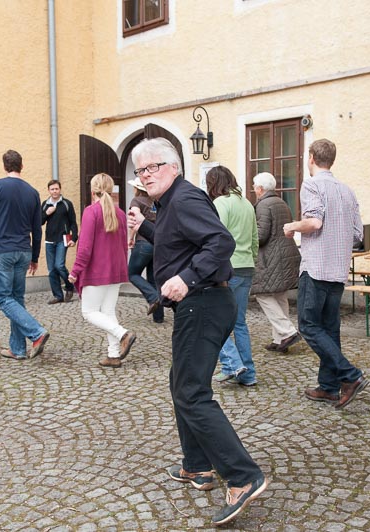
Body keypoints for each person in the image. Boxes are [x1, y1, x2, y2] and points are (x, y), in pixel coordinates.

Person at [127, 138, 268, 527]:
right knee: (181, 383)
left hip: (204, 302)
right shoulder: (170, 203)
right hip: (201, 304)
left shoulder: (185, 198)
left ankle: (243, 476)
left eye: (153, 167)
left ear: (173, 166)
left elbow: (220, 242)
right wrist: (146, 228)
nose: (146, 175)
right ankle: (197, 465)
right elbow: (178, 243)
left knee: (191, 392)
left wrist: (186, 278)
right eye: (140, 170)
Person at [284, 138, 368, 409]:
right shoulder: (347, 191)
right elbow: (357, 234)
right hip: (338, 269)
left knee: (309, 326)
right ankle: (329, 387)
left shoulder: (312, 185)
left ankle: (350, 375)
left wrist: (292, 226)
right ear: (332, 160)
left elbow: (314, 222)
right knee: (330, 329)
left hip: (317, 267)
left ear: (311, 158)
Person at [0, 149, 49, 361]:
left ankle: (36, 333)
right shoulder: (32, 192)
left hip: (2, 251)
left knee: (4, 298)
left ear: (4, 166)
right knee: (16, 299)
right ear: (21, 166)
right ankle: (18, 349)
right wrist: (35, 256)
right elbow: (37, 229)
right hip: (23, 251)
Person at [67, 173, 136, 368]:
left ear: (92, 190)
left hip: (97, 271)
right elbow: (123, 245)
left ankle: (123, 334)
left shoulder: (91, 212)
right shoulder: (119, 213)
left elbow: (85, 247)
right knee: (107, 311)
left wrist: (75, 271)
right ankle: (113, 355)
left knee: (89, 312)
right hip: (116, 270)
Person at [205, 166, 259, 387]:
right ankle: (248, 374)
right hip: (246, 266)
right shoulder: (246, 203)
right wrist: (250, 258)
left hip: (227, 269)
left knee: (213, 320)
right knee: (239, 323)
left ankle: (232, 364)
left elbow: (217, 238)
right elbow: (254, 238)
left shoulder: (220, 203)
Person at [251, 172, 302, 353]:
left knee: (261, 293)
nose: (254, 189)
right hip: (285, 254)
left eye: (255, 186)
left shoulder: (263, 205)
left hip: (271, 256)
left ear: (260, 188)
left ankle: (287, 332)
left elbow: (261, 235)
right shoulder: (281, 202)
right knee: (280, 295)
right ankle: (280, 338)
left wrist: (249, 237)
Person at [127, 176, 165, 323]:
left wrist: (130, 238)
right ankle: (158, 317)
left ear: (137, 188)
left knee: (132, 274)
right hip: (157, 243)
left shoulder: (137, 201)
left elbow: (134, 218)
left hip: (143, 243)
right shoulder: (156, 202)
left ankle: (153, 297)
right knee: (153, 279)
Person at [41, 179, 78, 304]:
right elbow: (39, 221)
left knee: (59, 265)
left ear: (60, 189)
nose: (55, 191)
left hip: (63, 239)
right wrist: (46, 213)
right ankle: (58, 295)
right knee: (51, 270)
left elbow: (73, 223)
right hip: (49, 241)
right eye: (52, 189)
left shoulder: (67, 204)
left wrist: (74, 238)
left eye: (56, 189)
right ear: (49, 190)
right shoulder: (45, 204)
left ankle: (69, 287)